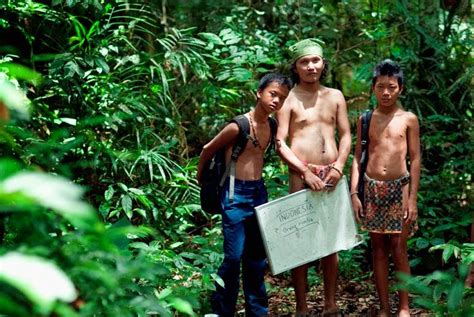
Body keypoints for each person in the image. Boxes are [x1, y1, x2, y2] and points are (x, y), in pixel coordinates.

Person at [197, 73, 292, 317]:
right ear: (259, 93)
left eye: (281, 98)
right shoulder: (238, 126)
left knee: (256, 258)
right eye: (272, 94)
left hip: (258, 192)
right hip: (234, 193)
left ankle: (257, 312)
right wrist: (203, 181)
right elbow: (208, 150)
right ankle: (221, 309)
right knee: (233, 256)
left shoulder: (271, 125)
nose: (276, 101)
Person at [275, 39, 351, 316]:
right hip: (301, 174)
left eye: (315, 60)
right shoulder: (288, 99)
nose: (310, 66)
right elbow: (280, 142)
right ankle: (302, 307)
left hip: (332, 172)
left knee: (331, 244)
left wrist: (339, 166)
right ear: (295, 67)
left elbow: (346, 135)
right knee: (301, 242)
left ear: (323, 63)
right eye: (304, 62)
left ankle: (330, 304)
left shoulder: (335, 96)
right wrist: (305, 171)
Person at [350, 59, 420, 317]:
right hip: (371, 189)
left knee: (399, 247)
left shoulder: (408, 119)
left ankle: (403, 306)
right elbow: (357, 157)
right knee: (378, 248)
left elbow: (415, 159)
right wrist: (354, 193)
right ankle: (383, 307)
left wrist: (412, 199)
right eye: (381, 87)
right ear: (373, 88)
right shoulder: (365, 119)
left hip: (399, 187)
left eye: (391, 87)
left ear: (400, 88)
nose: (386, 92)